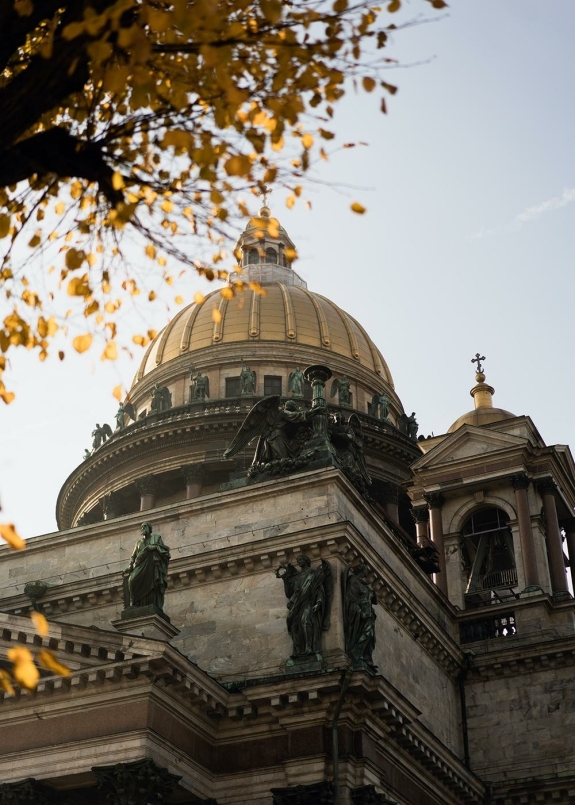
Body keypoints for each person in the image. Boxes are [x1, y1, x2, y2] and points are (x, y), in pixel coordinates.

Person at [276, 555, 332, 658]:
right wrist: (284, 579)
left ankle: (309, 647)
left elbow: (319, 589)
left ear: (306, 560)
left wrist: (319, 602)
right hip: (296, 604)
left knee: (306, 621)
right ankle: (298, 650)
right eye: (297, 560)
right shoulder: (296, 577)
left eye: (301, 559)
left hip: (308, 603)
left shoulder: (313, 574)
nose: (299, 562)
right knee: (294, 626)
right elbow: (289, 593)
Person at [125, 522, 171, 609]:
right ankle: (136, 602)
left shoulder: (156, 538)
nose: (143, 528)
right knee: (132, 580)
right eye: (142, 527)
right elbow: (133, 556)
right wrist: (130, 566)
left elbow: (164, 551)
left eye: (145, 526)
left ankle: (150, 603)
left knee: (152, 583)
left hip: (152, 566)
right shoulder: (138, 543)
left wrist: (153, 548)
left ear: (150, 529)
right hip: (139, 565)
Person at [344, 562, 377, 669]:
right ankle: (356, 654)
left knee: (371, 636)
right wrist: (359, 611)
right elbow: (351, 598)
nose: (365, 573)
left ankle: (365, 657)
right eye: (364, 571)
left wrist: (372, 593)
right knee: (367, 633)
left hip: (368, 614)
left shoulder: (365, 585)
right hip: (360, 613)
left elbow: (374, 601)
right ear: (361, 571)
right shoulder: (353, 580)